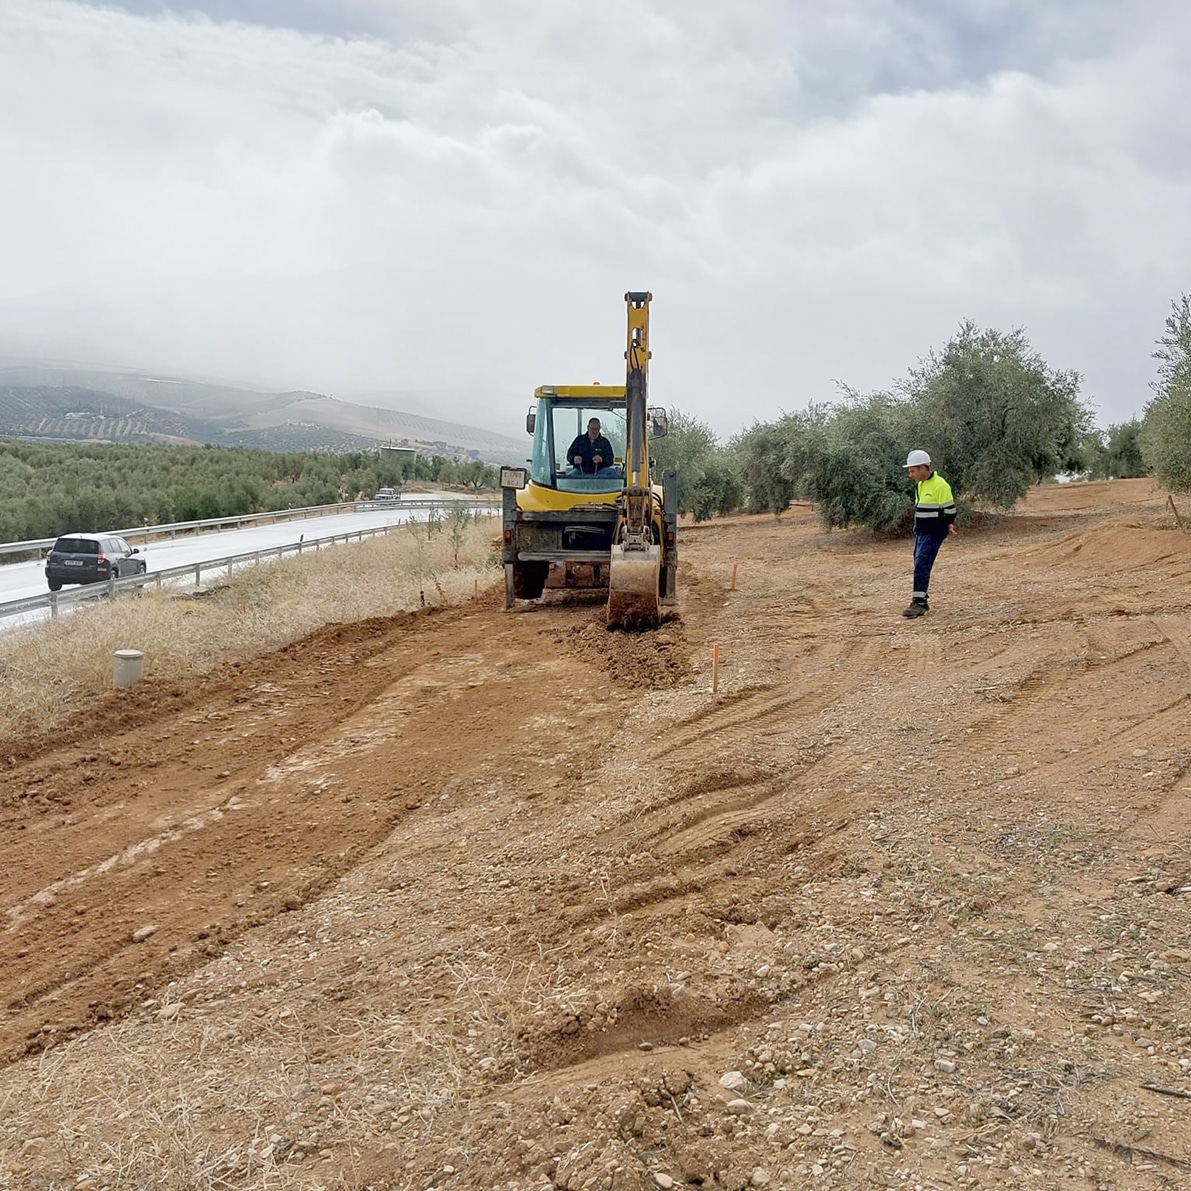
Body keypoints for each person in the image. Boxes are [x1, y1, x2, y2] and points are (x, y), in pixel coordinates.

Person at [902, 449, 956, 618]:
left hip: (933, 532)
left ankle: (919, 603)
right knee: (918, 562)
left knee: (922, 564)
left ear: (923, 468)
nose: (910, 475)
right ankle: (921, 597)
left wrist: (947, 524)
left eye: (912, 471)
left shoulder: (940, 485)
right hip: (921, 532)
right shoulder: (920, 485)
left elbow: (950, 510)